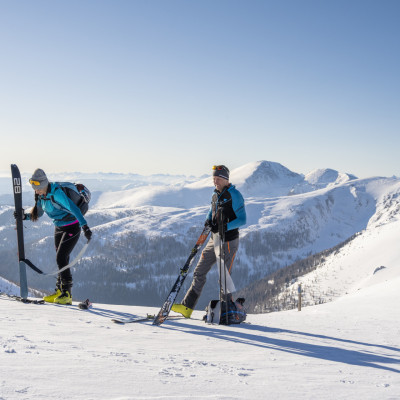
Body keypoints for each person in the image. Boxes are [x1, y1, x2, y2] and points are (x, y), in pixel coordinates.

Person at [171, 165, 246, 318]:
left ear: (226, 179)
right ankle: (187, 307)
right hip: (214, 239)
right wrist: (208, 221)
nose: (215, 182)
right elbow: (211, 211)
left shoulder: (235, 195)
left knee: (224, 277)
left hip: (229, 242)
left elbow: (242, 219)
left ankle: (226, 310)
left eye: (218, 179)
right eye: (213, 179)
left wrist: (224, 226)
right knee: (199, 271)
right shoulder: (215, 195)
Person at [15, 168, 92, 305]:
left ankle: (67, 294)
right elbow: (37, 214)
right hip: (59, 227)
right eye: (34, 189)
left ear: (44, 184)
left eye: (37, 188)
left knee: (61, 257)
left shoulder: (57, 193)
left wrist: (85, 226)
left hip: (72, 226)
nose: (36, 191)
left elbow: (74, 209)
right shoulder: (41, 196)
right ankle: (59, 291)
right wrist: (24, 217)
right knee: (61, 258)